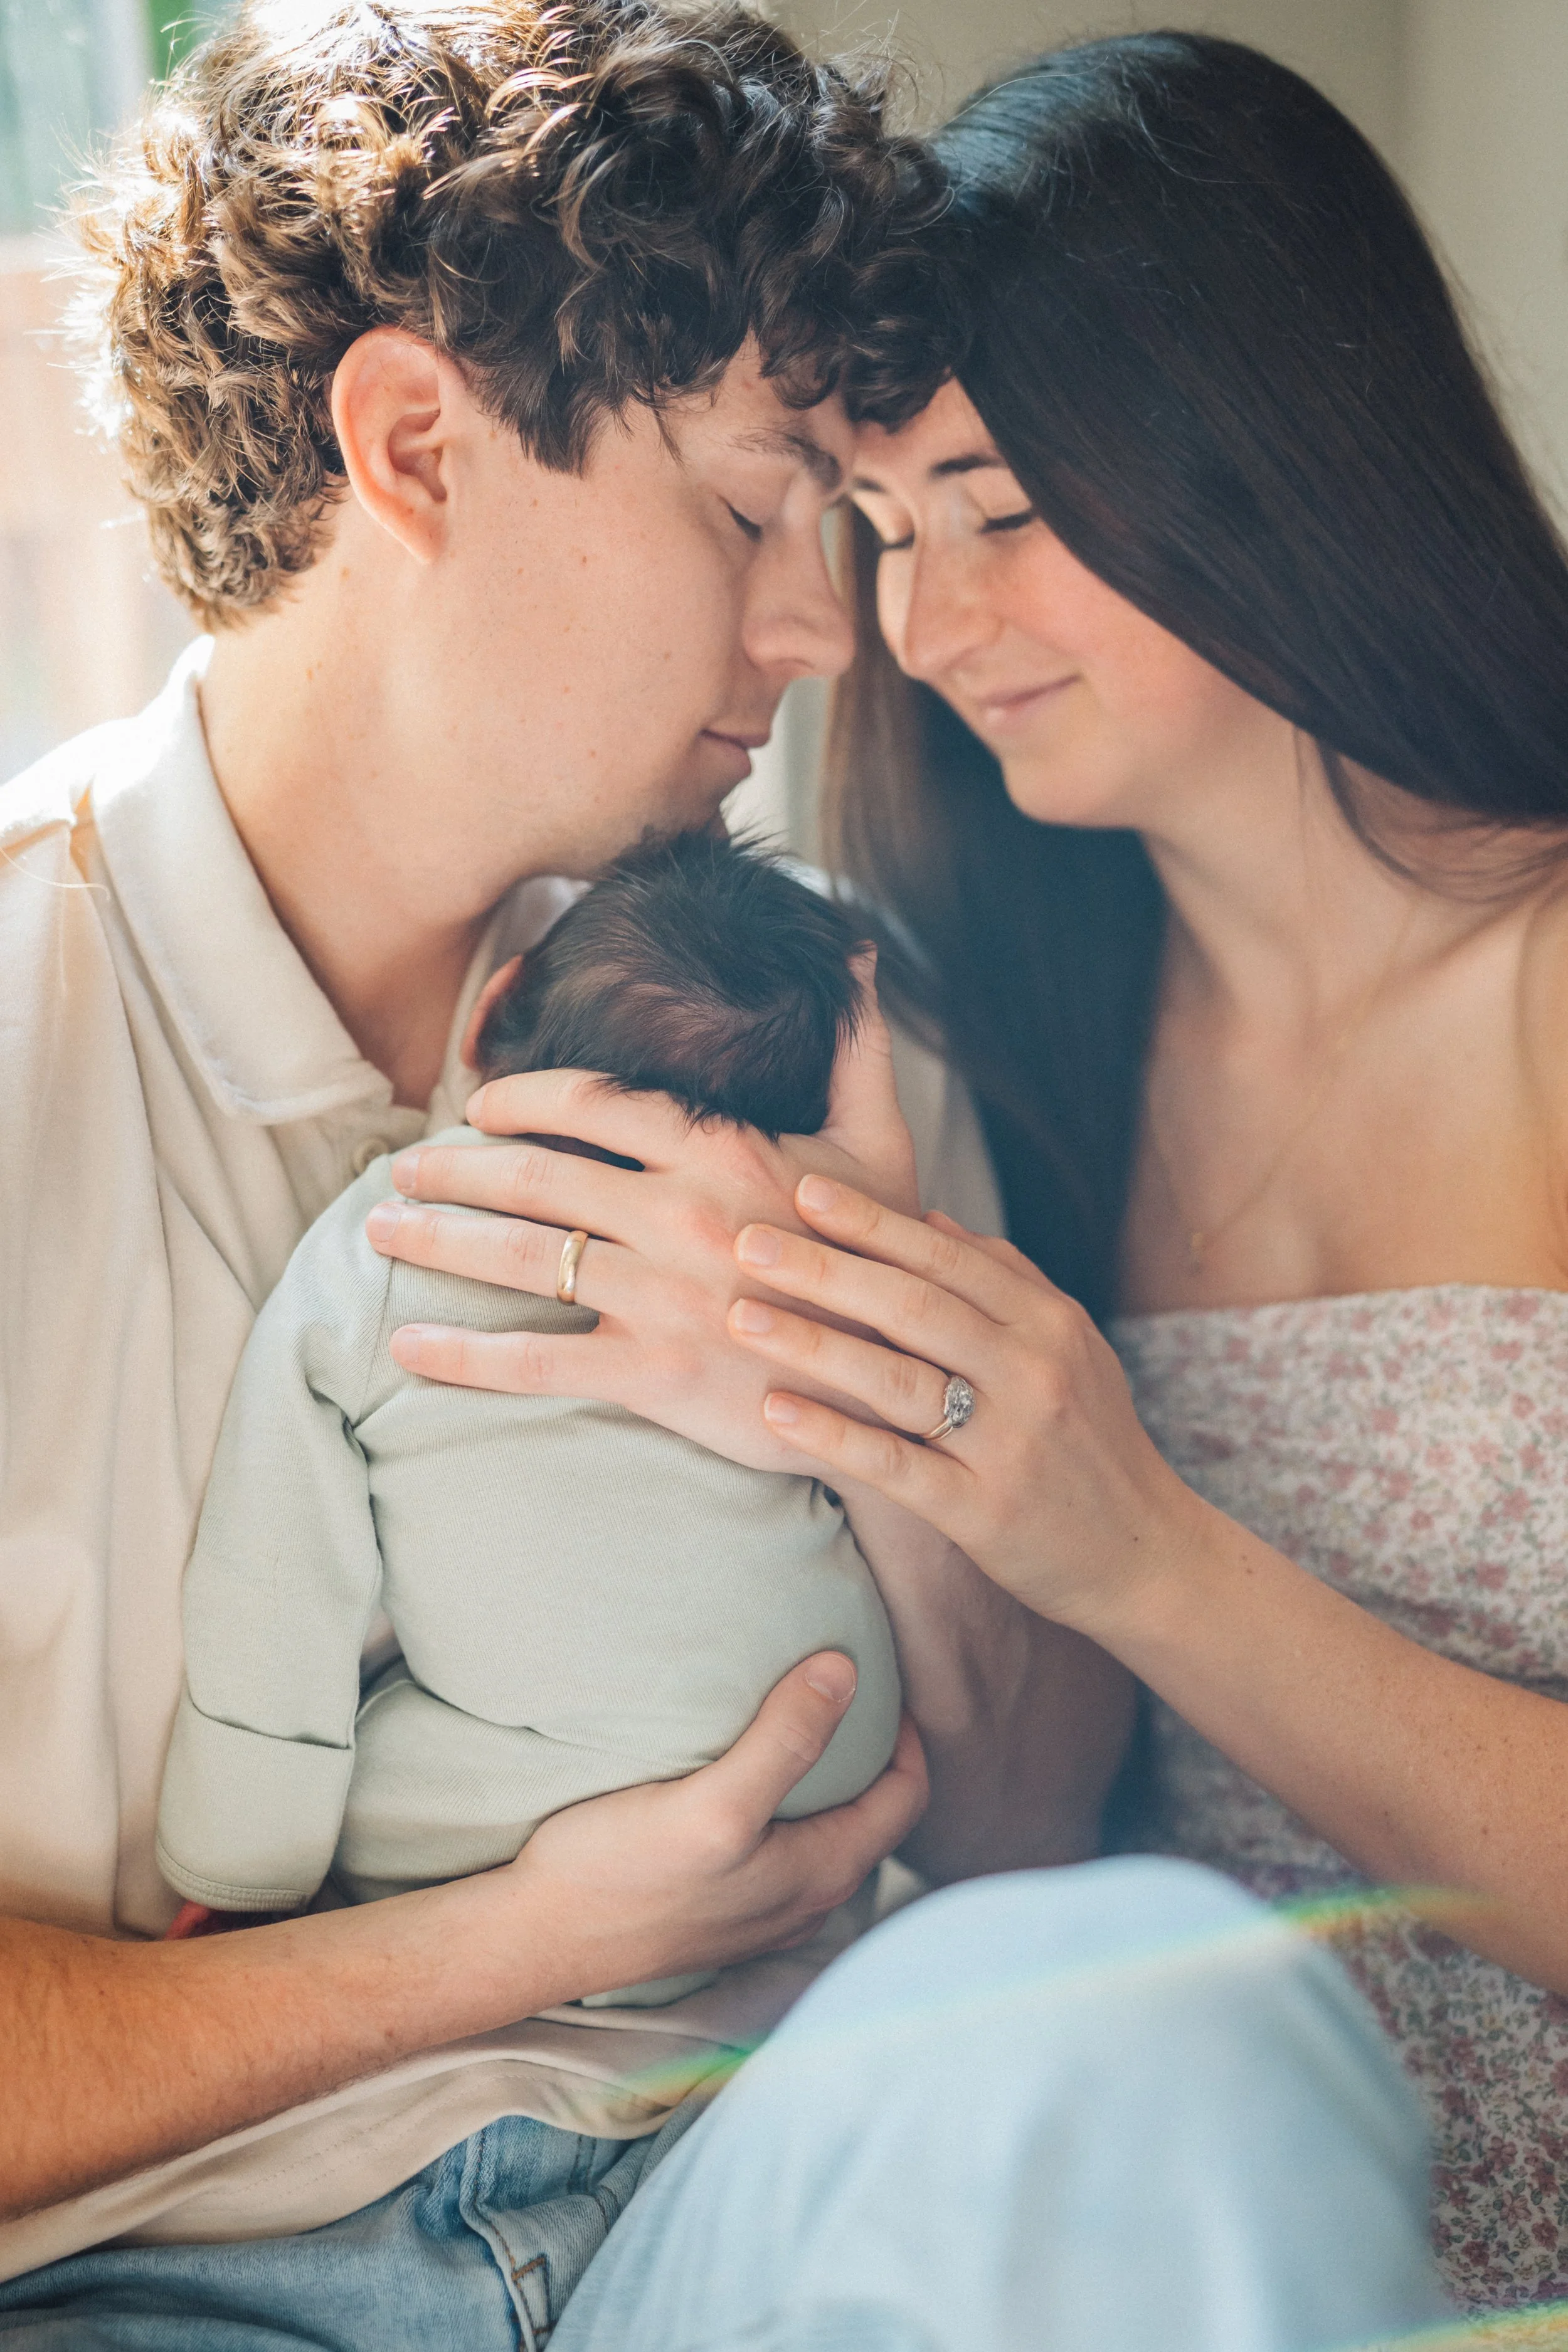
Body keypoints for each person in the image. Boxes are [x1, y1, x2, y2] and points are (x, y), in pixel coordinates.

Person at [364, 27, 1568, 2339]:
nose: (926, 631)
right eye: (884, 531)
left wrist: (1148, 1555)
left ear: (1275, 453)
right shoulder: (973, 1032)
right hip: (1101, 2222)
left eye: (1003, 513)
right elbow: (1023, 1858)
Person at [0, 0, 983, 2333]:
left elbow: (1024, 1823)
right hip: (167, 2279)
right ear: (418, 441)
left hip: (762, 2176)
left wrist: (893, 1369)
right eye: (755, 508)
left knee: (1168, 2012)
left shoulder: (805, 1026)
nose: (825, 632)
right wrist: (518, 1948)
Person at [156, 837, 900, 1983]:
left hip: (565, 1805)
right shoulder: (798, 1254)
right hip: (836, 1766)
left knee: (352, 1772)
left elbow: (281, 1546)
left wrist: (238, 1853)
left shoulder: (402, 1227)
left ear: (495, 1010)